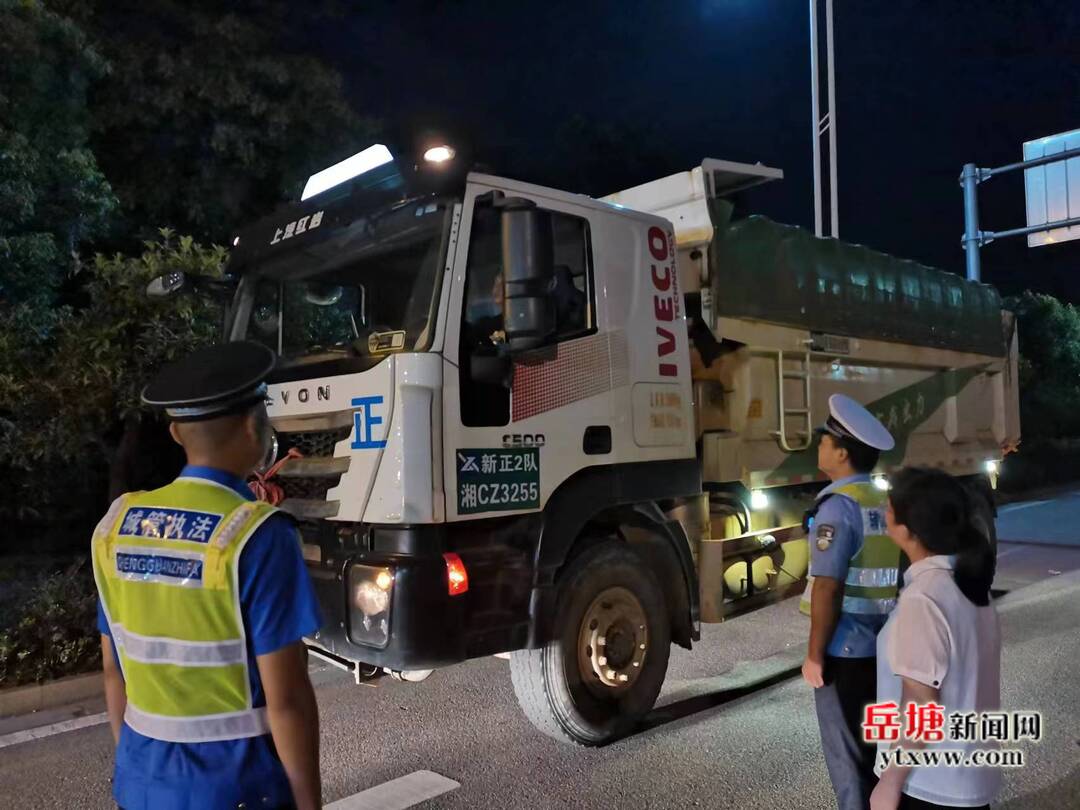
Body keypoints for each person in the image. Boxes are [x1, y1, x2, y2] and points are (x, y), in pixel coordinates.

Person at [90, 341, 323, 810]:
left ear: (177, 433)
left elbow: (114, 672)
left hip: (141, 782)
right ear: (255, 428)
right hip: (239, 788)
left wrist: (138, 768)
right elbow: (288, 700)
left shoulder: (116, 525)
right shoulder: (257, 536)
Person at [871, 468, 1001, 810]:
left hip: (928, 783)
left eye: (888, 507)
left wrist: (890, 781)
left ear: (908, 530)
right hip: (968, 778)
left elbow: (920, 705)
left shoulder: (924, 600)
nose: (883, 512)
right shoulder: (971, 586)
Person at [801, 394, 900, 810]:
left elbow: (827, 586)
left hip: (845, 649)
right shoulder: (881, 500)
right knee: (877, 751)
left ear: (841, 452)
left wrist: (814, 655)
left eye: (825, 440)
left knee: (849, 762)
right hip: (885, 647)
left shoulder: (837, 508)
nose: (819, 445)